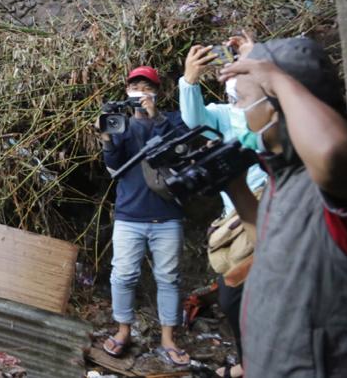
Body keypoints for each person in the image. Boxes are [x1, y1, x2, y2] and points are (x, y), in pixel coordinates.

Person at [221, 37, 347, 377]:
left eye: (242, 99)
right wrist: (237, 189)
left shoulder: (339, 180)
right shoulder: (282, 173)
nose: (238, 110)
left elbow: (333, 156)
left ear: (276, 106)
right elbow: (272, 251)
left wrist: (278, 79)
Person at [179, 36, 268, 378]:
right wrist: (189, 80)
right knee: (235, 296)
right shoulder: (223, 114)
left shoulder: (267, 108)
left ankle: (249, 365)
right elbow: (193, 119)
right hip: (238, 211)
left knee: (239, 295)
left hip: (269, 201)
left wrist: (255, 56)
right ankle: (249, 362)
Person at [100, 66, 191, 367]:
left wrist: (157, 118)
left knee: (169, 278)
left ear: (157, 92)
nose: (140, 91)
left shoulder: (173, 119)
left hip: (167, 216)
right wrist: (106, 139)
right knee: (123, 275)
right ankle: (123, 330)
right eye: (135, 86)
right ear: (127, 92)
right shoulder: (121, 124)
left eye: (146, 86)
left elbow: (181, 149)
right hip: (129, 214)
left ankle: (168, 338)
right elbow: (113, 165)